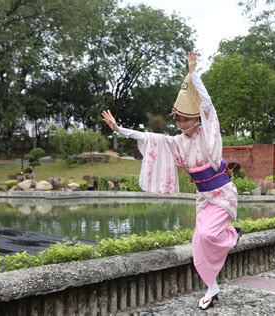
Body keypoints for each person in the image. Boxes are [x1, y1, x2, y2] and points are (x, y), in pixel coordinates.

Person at [101, 51, 240, 310]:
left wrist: (193, 72)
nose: (180, 124)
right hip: (204, 197)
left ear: (196, 118)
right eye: (178, 120)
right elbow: (149, 138)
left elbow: (208, 103)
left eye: (185, 119)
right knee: (199, 242)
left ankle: (232, 235)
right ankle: (212, 287)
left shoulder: (208, 134)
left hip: (222, 193)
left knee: (210, 233)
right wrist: (120, 130)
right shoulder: (176, 143)